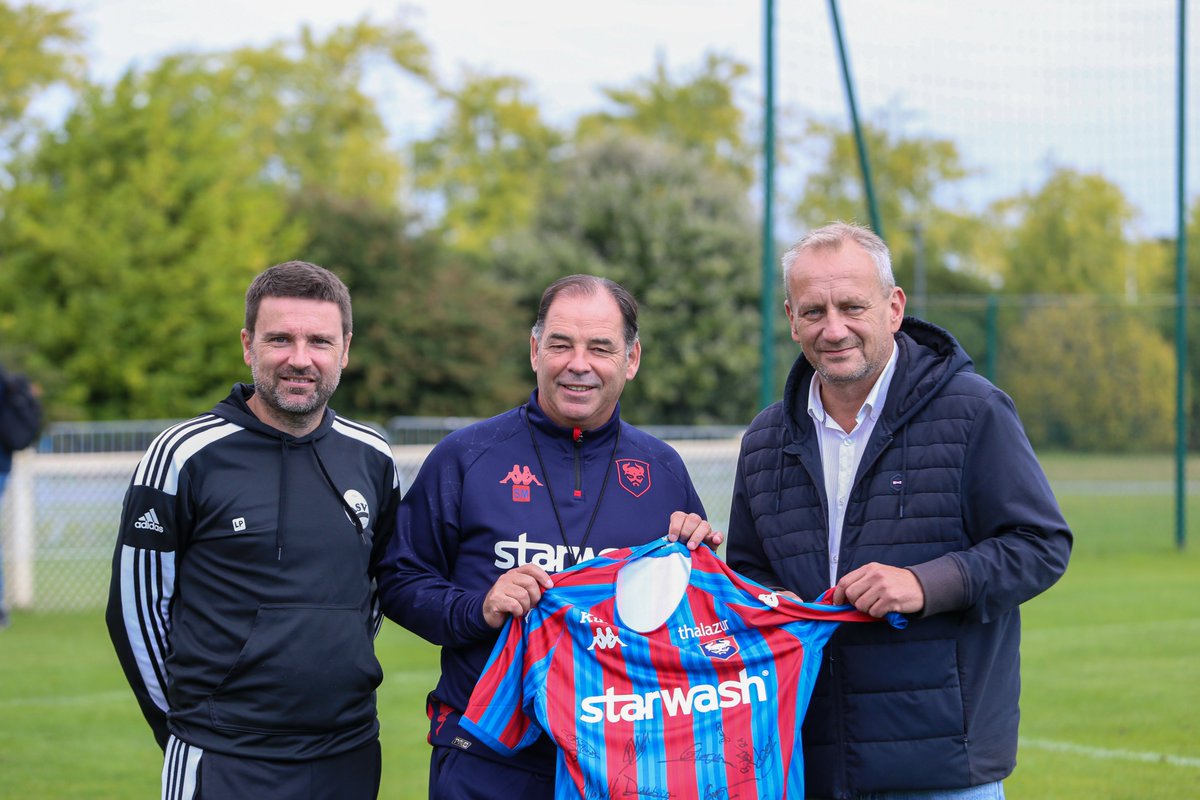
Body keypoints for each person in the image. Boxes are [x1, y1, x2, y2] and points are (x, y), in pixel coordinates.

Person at [726, 222, 1072, 800]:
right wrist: (760, 600)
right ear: (790, 318)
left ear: (894, 307)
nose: (833, 329)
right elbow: (749, 573)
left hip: (938, 767)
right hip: (801, 763)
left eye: (852, 306)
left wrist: (922, 583)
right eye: (814, 311)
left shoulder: (973, 410)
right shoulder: (764, 439)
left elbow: (1039, 545)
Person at [376, 274, 721, 800]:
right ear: (535, 350)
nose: (578, 363)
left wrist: (698, 569)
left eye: (600, 347)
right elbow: (399, 578)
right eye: (561, 344)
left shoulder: (663, 470)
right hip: (485, 757)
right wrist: (478, 609)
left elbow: (696, 628)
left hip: (624, 761)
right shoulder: (466, 456)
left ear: (631, 360)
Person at [106, 261, 401, 800]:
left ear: (346, 350)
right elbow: (137, 608)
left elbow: (375, 592)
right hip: (226, 757)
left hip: (350, 750)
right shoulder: (183, 454)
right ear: (248, 345)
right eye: (280, 339)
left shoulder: (373, 457)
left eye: (319, 341)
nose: (300, 359)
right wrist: (187, 724)